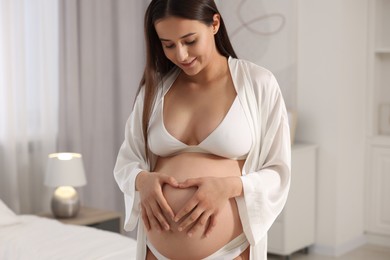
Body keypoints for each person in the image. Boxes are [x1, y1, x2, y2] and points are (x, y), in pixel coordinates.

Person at [114, 0, 291, 259]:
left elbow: (278, 171)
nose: (181, 55)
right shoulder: (154, 91)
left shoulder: (258, 84)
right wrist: (143, 180)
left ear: (214, 24)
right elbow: (126, 162)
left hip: (230, 250)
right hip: (156, 252)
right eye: (168, 45)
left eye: (190, 40)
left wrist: (229, 187)